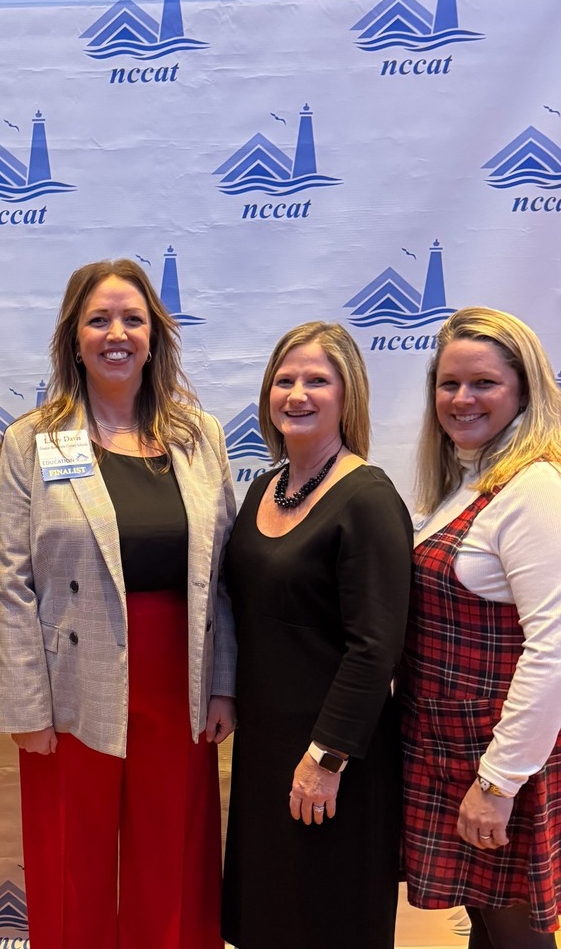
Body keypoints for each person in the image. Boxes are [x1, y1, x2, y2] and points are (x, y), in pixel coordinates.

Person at [0, 258, 236, 949]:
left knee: (174, 857)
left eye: (132, 318)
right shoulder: (32, 440)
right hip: (70, 681)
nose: (116, 333)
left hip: (179, 674)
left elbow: (221, 577)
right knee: (73, 859)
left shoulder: (199, 437)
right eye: (98, 319)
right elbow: (12, 580)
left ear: (155, 334)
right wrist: (25, 705)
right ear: (73, 337)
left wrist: (223, 683)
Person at [220, 321, 411, 949]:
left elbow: (374, 647)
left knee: (327, 918)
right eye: (285, 379)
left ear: (347, 395)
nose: (297, 394)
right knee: (272, 915)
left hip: (333, 758)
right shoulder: (261, 488)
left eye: (317, 380)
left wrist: (326, 757)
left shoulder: (368, 496)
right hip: (266, 747)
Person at [402, 306, 561, 947]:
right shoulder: (466, 483)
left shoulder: (534, 488)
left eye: (484, 383)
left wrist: (499, 783)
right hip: (451, 749)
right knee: (488, 925)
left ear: (524, 388)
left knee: (513, 930)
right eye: (449, 384)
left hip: (496, 759)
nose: (462, 399)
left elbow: (554, 649)